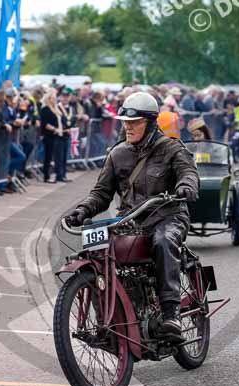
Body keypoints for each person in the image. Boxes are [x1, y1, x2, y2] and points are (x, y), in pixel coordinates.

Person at [63, 92, 199, 340]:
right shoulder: (118, 154)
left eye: (134, 122)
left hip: (167, 217)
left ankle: (171, 315)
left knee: (163, 241)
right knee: (95, 251)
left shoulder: (171, 148)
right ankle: (108, 320)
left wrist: (186, 187)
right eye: (125, 122)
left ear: (150, 122)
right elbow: (101, 193)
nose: (128, 127)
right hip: (130, 222)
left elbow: (188, 172)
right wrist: (82, 210)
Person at [39, 89, 63, 183]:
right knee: (48, 156)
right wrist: (54, 129)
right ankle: (46, 175)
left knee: (53, 156)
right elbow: (45, 123)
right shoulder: (45, 109)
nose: (55, 100)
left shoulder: (55, 108)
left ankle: (52, 174)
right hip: (49, 135)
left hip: (56, 135)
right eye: (53, 98)